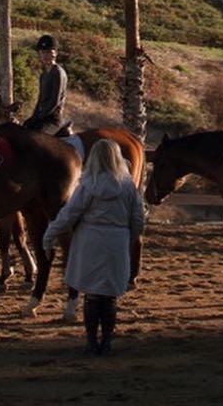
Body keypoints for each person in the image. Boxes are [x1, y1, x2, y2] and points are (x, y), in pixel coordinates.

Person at [42, 138, 145, 356]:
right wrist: (128, 236)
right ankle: (106, 342)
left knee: (92, 295)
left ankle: (91, 342)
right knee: (109, 296)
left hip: (90, 240)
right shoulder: (128, 187)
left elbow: (69, 214)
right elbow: (138, 219)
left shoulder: (88, 185)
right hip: (116, 240)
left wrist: (50, 234)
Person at [23, 34, 69, 134]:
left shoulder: (58, 73)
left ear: (55, 53)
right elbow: (40, 99)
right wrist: (33, 117)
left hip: (53, 119)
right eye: (42, 52)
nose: (45, 55)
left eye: (48, 52)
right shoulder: (43, 75)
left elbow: (54, 101)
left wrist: (39, 117)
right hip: (42, 116)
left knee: (36, 137)